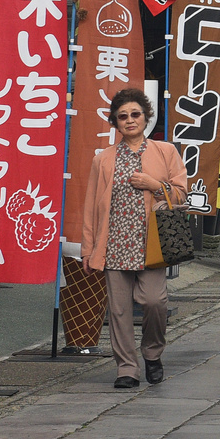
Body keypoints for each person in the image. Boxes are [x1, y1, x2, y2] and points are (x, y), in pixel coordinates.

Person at [80, 88, 188, 389]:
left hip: (151, 243)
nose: (130, 120)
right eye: (123, 116)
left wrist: (155, 185)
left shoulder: (165, 151)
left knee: (155, 302)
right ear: (115, 122)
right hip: (114, 243)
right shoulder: (103, 159)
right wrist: (88, 249)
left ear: (146, 117)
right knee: (119, 311)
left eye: (135, 114)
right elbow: (91, 205)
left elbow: (181, 192)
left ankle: (152, 354)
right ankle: (126, 368)